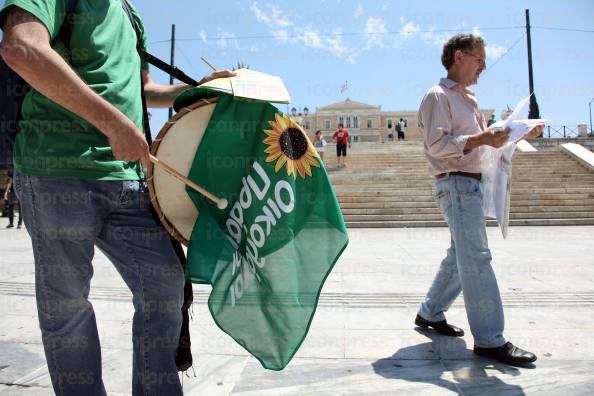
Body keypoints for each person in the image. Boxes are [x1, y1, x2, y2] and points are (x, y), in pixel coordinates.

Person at [0, 1, 234, 394]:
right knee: (68, 305)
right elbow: (20, 47)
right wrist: (111, 123)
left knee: (165, 283)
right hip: (57, 171)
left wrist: (196, 90)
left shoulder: (128, 12)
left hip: (127, 177)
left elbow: (142, 90)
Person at [415, 33, 544, 367]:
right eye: (479, 60)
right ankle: (489, 339)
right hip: (455, 184)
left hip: (471, 184)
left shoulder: (468, 100)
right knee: (476, 258)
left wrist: (518, 132)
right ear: (460, 56)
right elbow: (436, 145)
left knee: (460, 254)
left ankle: (430, 312)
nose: (483, 68)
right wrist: (480, 137)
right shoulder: (437, 95)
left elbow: (482, 145)